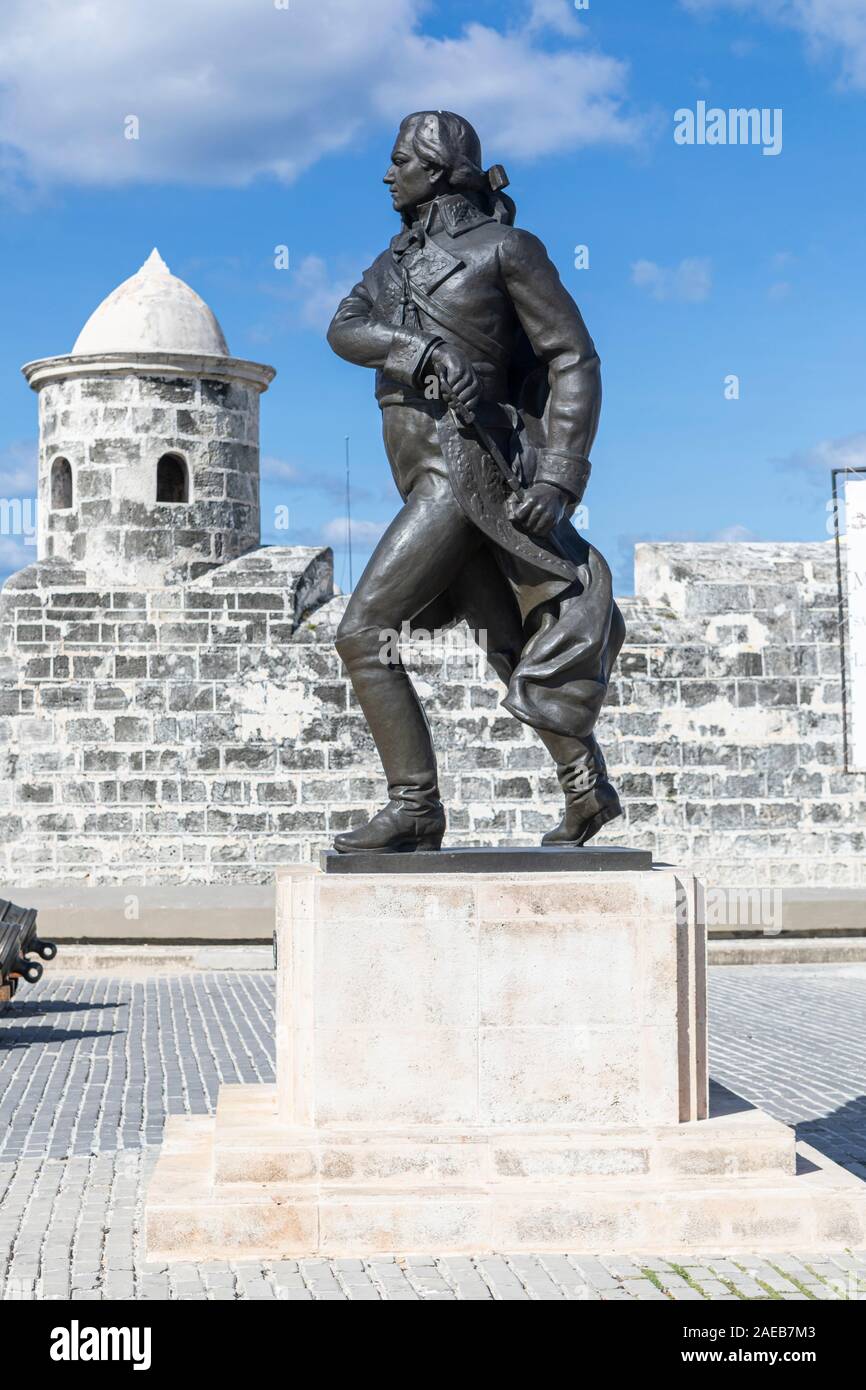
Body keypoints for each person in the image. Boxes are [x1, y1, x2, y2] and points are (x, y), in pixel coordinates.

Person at [327, 110, 624, 854]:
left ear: (440, 171)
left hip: (463, 470)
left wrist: (559, 475)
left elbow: (573, 358)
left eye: (400, 161)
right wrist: (418, 349)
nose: (387, 174)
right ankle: (586, 787)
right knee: (507, 643)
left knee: (364, 632)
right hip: (416, 473)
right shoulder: (390, 265)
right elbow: (344, 328)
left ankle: (416, 806)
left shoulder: (506, 250)